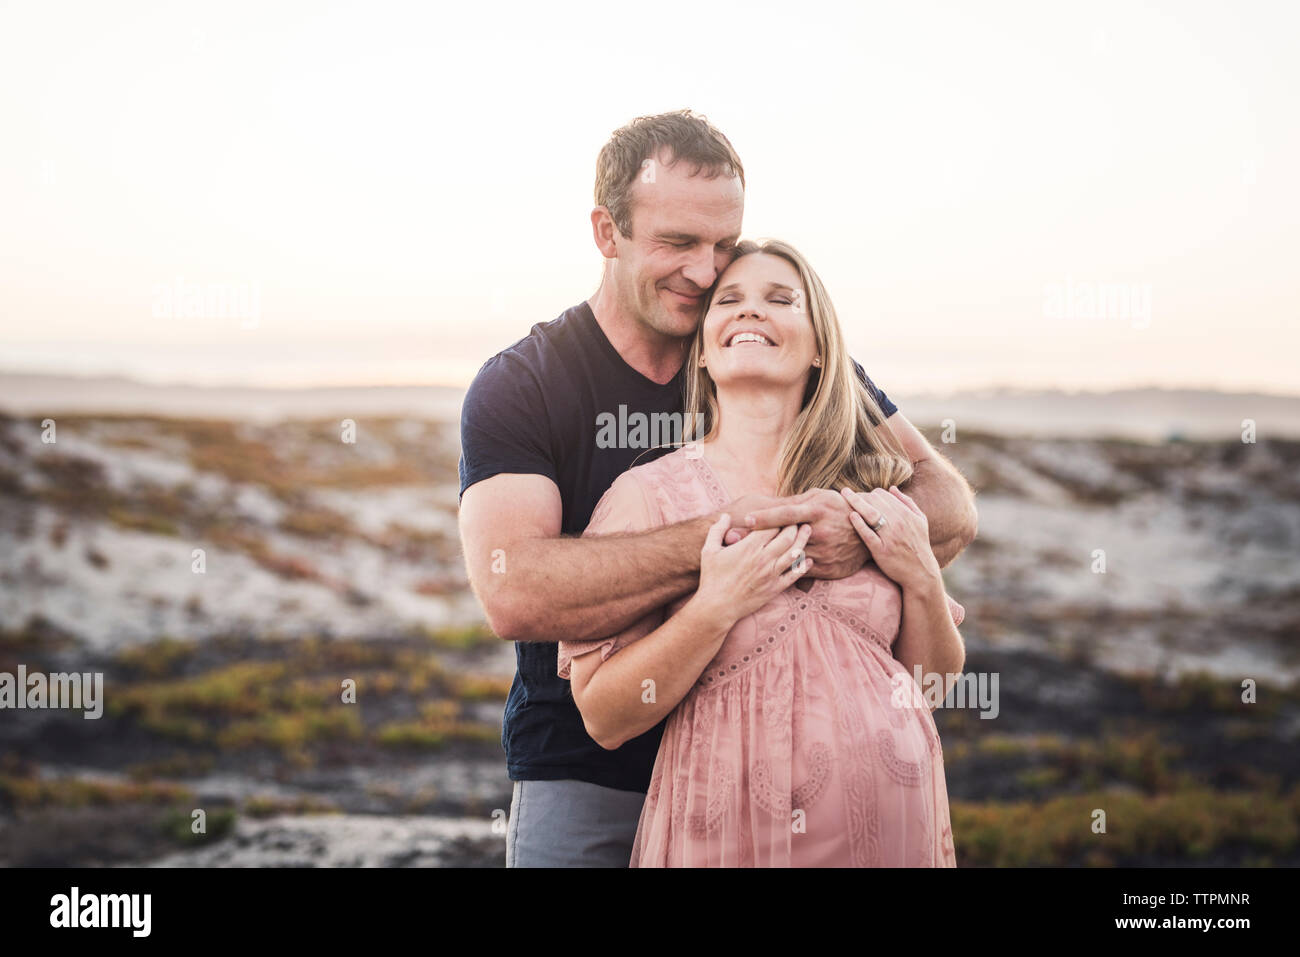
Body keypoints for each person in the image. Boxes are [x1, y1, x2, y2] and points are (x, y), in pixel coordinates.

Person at [457, 110, 978, 867]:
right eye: (676, 244)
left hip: (799, 792)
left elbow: (948, 505)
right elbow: (516, 591)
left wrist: (855, 535)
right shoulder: (525, 385)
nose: (706, 275)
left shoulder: (777, 357)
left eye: (722, 245)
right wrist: (727, 542)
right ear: (608, 233)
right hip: (592, 777)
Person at [559, 239, 966, 866]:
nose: (751, 312)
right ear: (701, 351)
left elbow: (929, 685)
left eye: (780, 300)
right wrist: (714, 608)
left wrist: (922, 580)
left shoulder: (874, 491)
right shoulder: (648, 496)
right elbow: (605, 716)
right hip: (730, 839)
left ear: (823, 347)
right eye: (729, 301)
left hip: (892, 834)